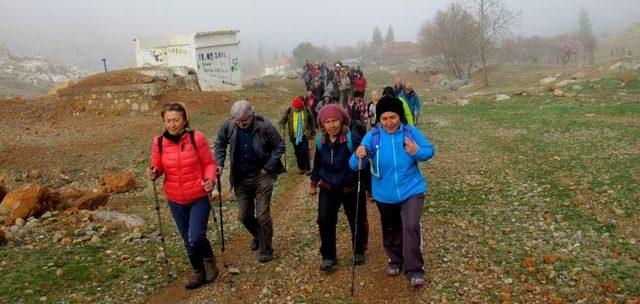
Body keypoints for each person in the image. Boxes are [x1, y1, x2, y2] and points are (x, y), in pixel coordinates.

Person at [350, 95, 435, 288]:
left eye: (393, 117)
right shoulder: (373, 136)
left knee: (411, 226)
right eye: (384, 118)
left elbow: (429, 151)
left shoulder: (410, 131)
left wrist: (416, 151)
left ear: (400, 117)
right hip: (384, 193)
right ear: (379, 119)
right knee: (390, 227)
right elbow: (354, 165)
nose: (389, 122)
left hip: (412, 189)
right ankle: (395, 260)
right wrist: (359, 153)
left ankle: (414, 270)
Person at [146, 102, 219, 289]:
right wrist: (153, 172)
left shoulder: (197, 138)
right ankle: (198, 272)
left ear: (184, 120)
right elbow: (158, 167)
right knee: (187, 239)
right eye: (168, 121)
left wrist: (210, 180)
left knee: (195, 236)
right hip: (175, 199)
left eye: (176, 120)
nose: (172, 124)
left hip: (198, 196)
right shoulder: (159, 142)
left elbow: (209, 164)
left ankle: (209, 259)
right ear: (163, 122)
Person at [214, 100, 285, 263]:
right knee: (244, 216)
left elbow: (279, 145)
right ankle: (258, 236)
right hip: (240, 178)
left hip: (262, 176)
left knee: (262, 215)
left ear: (252, 115)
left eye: (245, 120)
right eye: (239, 121)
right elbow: (219, 144)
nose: (242, 123)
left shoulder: (263, 125)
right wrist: (219, 163)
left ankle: (266, 249)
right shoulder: (229, 126)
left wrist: (268, 167)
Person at [310, 104, 367, 271]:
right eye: (327, 122)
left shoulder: (352, 139)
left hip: (350, 187)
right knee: (324, 220)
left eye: (335, 120)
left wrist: (369, 188)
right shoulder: (321, 141)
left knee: (357, 218)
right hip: (328, 187)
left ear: (341, 121)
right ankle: (328, 256)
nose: (332, 125)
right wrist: (313, 183)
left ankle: (358, 251)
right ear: (322, 124)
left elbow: (362, 164)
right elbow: (318, 164)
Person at [279, 96, 316, 175]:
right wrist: (282, 128)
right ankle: (301, 167)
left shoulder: (306, 110)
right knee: (297, 152)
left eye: (299, 108)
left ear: (301, 106)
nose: (297, 109)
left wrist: (313, 132)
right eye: (295, 108)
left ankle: (306, 168)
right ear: (292, 106)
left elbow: (312, 121)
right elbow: (282, 121)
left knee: (304, 151)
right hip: (294, 136)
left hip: (304, 135)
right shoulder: (289, 111)